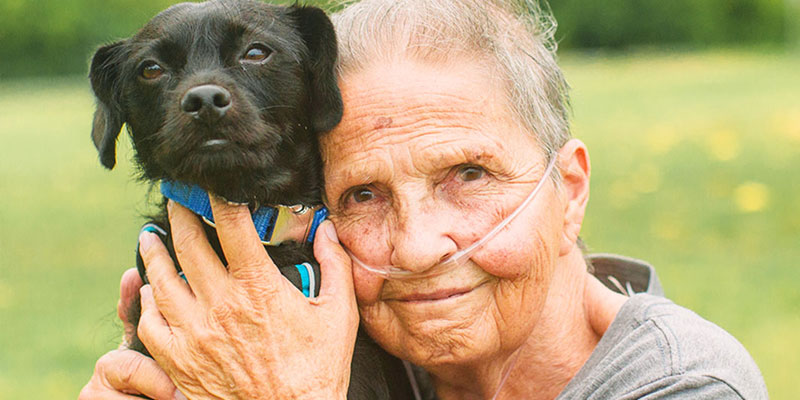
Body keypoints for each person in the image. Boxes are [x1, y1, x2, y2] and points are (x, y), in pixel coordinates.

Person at [80, 0, 768, 398]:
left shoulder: (683, 386)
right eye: (363, 194)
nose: (415, 245)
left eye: (468, 175)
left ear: (571, 191)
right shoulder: (334, 334)